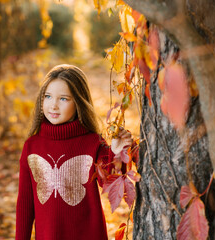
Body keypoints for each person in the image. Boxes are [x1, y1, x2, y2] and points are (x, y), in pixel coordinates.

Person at [16, 64, 132, 240]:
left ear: (78, 102)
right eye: (48, 97)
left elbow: (109, 181)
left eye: (63, 99)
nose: (53, 105)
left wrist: (116, 152)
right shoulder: (32, 146)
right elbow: (25, 203)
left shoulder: (93, 142)